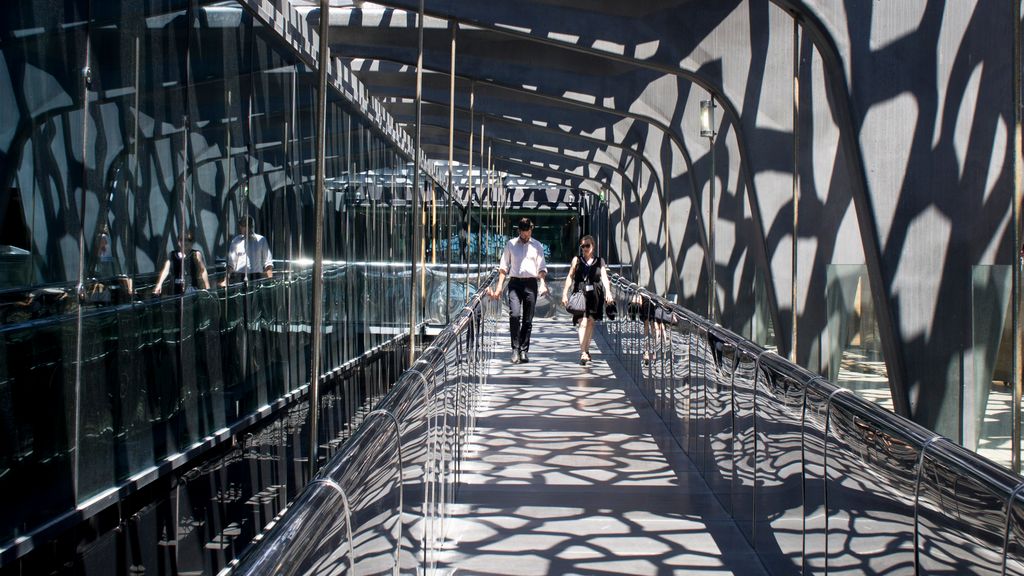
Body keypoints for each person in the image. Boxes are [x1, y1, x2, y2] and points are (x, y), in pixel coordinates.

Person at [487, 217, 549, 364]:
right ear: (519, 231)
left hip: (531, 283)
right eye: (523, 232)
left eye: (528, 232)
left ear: (531, 229)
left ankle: (523, 350)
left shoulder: (537, 246)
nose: (526, 235)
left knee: (528, 319)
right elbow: (503, 268)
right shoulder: (511, 244)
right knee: (514, 315)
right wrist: (499, 287)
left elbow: (541, 268)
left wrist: (543, 283)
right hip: (515, 283)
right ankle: (515, 348)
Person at [561, 235, 613, 366]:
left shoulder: (599, 261)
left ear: (593, 246)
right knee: (582, 322)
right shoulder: (577, 260)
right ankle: (583, 352)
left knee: (590, 322)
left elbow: (605, 277)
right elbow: (570, 276)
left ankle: (587, 349)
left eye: (587, 245)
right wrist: (564, 293)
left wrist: (608, 292)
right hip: (580, 293)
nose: (585, 248)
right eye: (582, 246)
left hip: (595, 294)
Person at [220, 215, 272, 287]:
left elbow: (268, 263)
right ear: (240, 227)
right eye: (243, 225)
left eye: (247, 225)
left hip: (256, 276)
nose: (246, 228)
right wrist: (226, 280)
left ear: (251, 226)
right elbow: (231, 264)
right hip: (239, 276)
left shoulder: (261, 240)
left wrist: (270, 280)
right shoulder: (236, 241)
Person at [153, 231, 210, 295]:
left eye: (188, 240)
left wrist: (207, 287)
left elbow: (203, 270)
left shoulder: (196, 254)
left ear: (191, 243)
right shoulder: (172, 255)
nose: (185, 242)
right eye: (182, 239)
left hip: (191, 289)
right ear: (178, 242)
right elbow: (165, 270)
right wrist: (159, 284)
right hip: (175, 289)